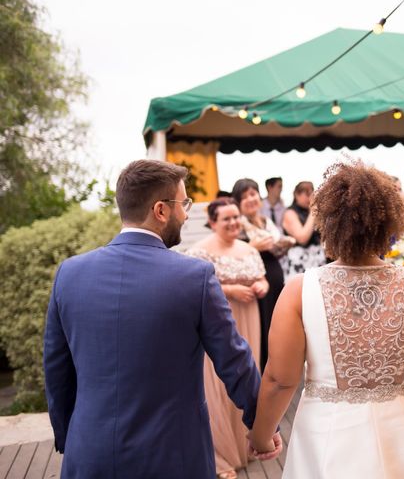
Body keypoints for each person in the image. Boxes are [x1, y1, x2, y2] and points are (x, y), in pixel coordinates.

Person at [43, 160, 273, 478]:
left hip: (89, 454)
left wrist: (71, 436)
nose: (185, 213)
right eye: (184, 203)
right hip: (175, 456)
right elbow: (234, 360)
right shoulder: (195, 276)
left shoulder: (69, 273)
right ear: (161, 210)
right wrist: (261, 427)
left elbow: (56, 370)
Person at [249, 162, 404, 478]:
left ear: (327, 223)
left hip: (328, 434)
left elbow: (280, 379)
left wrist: (261, 436)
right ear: (388, 223)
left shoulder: (299, 291)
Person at [187, 197, 269, 479]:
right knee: (218, 385)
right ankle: (219, 454)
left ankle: (245, 444)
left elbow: (264, 277)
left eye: (236, 217)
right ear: (212, 222)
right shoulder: (199, 252)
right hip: (219, 320)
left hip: (249, 318)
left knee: (248, 375)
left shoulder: (249, 249)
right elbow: (193, 288)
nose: (234, 222)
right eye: (227, 219)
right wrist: (231, 290)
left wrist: (260, 284)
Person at [232, 178, 294, 370]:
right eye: (244, 197)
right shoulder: (238, 225)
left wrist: (284, 244)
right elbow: (232, 254)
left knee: (277, 322)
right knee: (261, 325)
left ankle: (277, 363)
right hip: (255, 281)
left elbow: (275, 247)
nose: (250, 199)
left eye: (253, 194)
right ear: (238, 203)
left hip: (274, 275)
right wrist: (254, 246)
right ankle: (261, 366)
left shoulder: (266, 221)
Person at [281, 181, 326, 281]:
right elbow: (302, 238)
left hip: (317, 259)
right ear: (297, 194)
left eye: (312, 193)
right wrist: (313, 211)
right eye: (307, 193)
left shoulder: (313, 213)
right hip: (300, 261)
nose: (310, 198)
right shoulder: (290, 213)